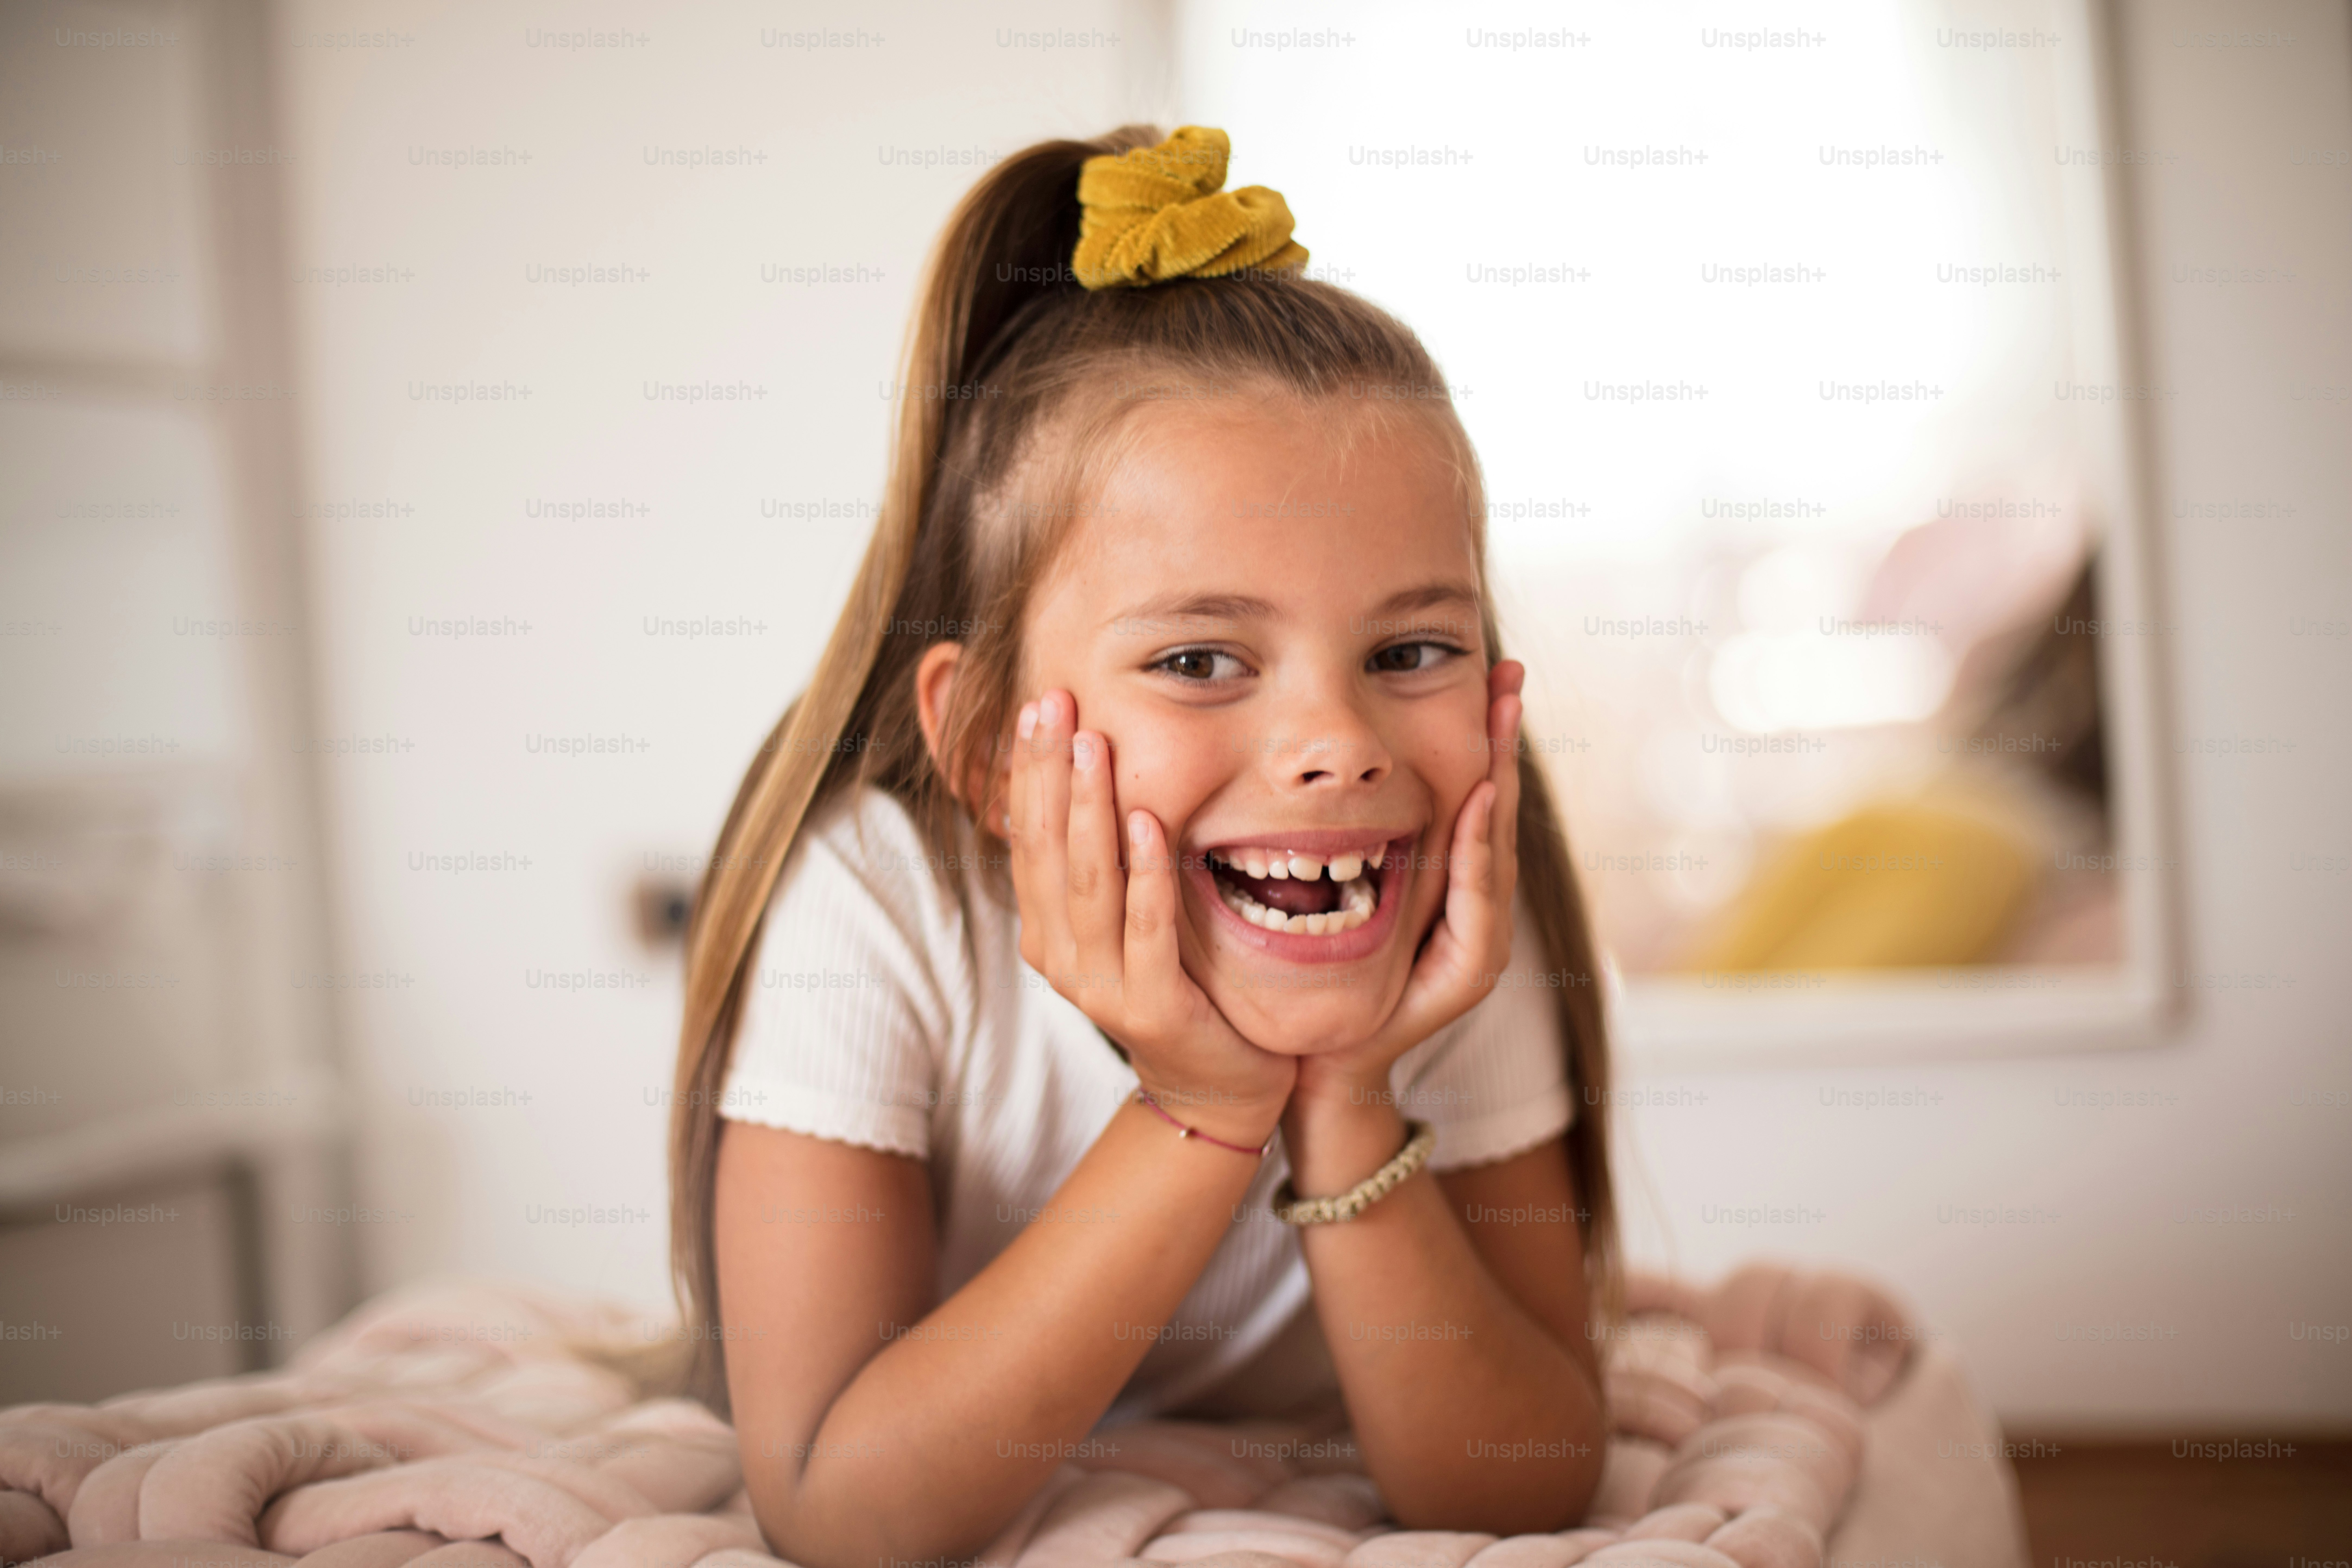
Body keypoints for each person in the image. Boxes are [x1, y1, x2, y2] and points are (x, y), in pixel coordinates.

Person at [663, 126, 1617, 1564]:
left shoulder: (1447, 915)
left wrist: (1348, 1096)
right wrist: (1202, 1108)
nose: (1337, 744)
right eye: (1197, 662)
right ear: (987, 743)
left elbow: (1522, 1486)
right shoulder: (875, 903)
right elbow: (840, 1508)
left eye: (1409, 649)